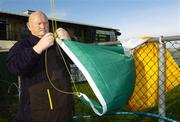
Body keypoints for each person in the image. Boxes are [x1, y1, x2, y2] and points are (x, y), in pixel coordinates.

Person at [6, 11, 74, 122]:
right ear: (29, 26)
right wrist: (37, 49)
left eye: (46, 23)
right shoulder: (22, 45)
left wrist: (70, 43)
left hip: (64, 107)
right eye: (39, 23)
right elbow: (14, 66)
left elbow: (77, 62)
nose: (43, 26)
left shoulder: (59, 43)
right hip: (36, 110)